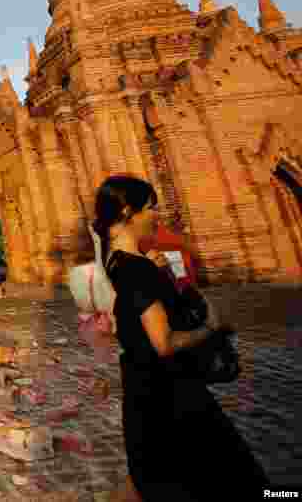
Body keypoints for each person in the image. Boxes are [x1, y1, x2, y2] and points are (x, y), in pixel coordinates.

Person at [94, 175, 268, 500]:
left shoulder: (115, 262)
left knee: (155, 481)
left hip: (144, 391)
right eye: (150, 208)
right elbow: (164, 342)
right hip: (173, 396)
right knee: (240, 482)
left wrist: (154, 271)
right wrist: (211, 326)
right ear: (128, 212)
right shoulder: (136, 270)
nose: (156, 215)